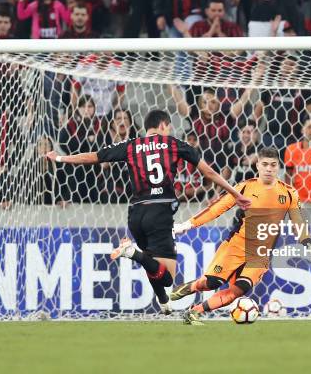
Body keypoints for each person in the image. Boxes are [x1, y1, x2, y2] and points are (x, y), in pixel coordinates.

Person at [45, 110, 251, 313]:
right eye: (168, 126)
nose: (169, 130)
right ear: (163, 125)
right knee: (167, 276)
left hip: (135, 214)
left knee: (152, 263)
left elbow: (95, 157)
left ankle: (163, 302)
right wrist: (236, 193)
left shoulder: (132, 145)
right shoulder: (174, 144)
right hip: (159, 213)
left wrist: (61, 159)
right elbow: (209, 172)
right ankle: (132, 252)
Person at [169, 147, 311, 325]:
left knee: (238, 290)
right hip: (236, 245)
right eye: (265, 164)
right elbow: (217, 208)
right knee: (210, 283)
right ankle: (191, 287)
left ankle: (194, 312)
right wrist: (187, 225)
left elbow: (298, 224)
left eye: (273, 165)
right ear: (258, 166)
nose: (269, 169)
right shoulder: (245, 187)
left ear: (278, 167)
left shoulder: (289, 193)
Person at [175, 0, 244, 38]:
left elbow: (238, 51)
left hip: (225, 62)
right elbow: (191, 50)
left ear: (224, 12)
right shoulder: (197, 26)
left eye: (220, 10)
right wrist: (211, 31)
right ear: (206, 11)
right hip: (203, 62)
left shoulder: (232, 26)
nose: (217, 13)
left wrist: (219, 33)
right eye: (213, 10)